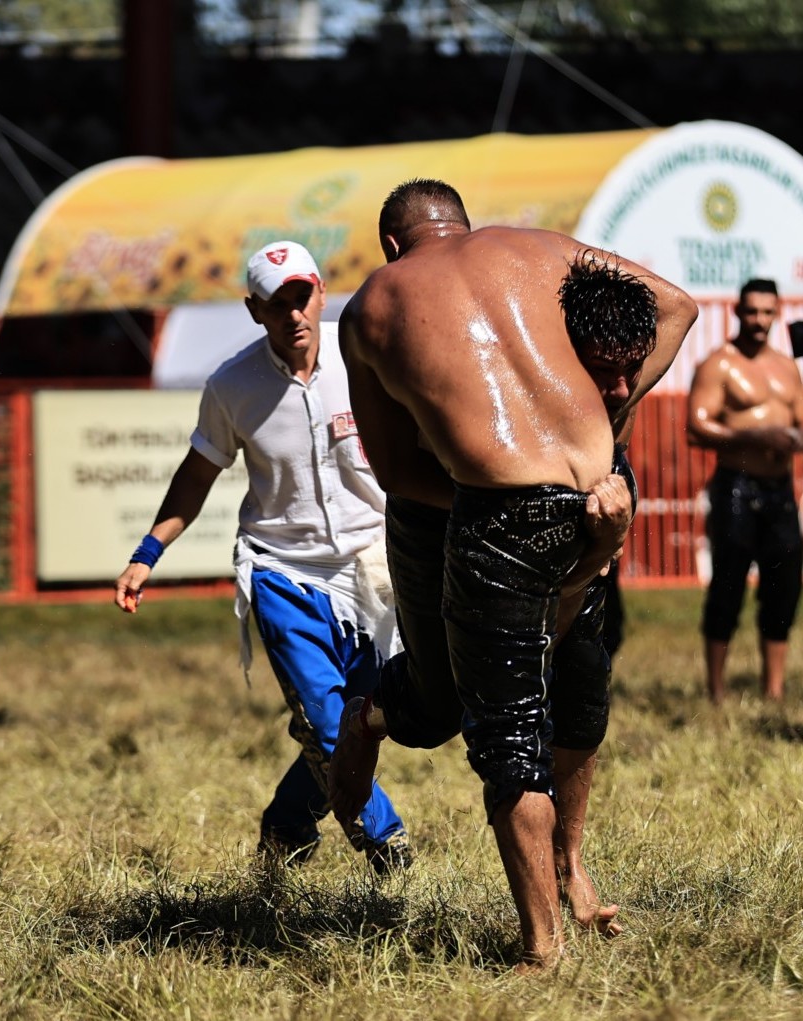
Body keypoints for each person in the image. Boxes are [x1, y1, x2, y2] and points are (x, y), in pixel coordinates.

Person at [326, 179, 696, 968]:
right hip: (560, 498)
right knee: (500, 719)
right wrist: (597, 439)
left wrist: (524, 470)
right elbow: (677, 307)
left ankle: (567, 873)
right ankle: (541, 948)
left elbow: (392, 466)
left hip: (532, 502)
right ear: (462, 224)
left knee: (569, 696)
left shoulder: (368, 304)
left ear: (393, 244)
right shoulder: (544, 247)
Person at [112, 240, 411, 873]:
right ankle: (389, 847)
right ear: (255, 311)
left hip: (373, 568)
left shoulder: (368, 358)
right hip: (282, 570)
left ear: (322, 293)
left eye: (302, 297)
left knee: (360, 726)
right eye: (277, 304)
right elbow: (196, 476)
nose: (293, 314)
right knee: (329, 720)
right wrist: (148, 551)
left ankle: (285, 827)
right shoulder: (231, 386)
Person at [686, 278, 803, 704]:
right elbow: (697, 425)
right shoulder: (719, 363)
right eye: (752, 312)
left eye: (767, 312)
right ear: (738, 313)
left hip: (780, 489)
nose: (759, 320)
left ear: (777, 313)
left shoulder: (785, 365)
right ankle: (716, 691)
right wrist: (756, 436)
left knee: (784, 586)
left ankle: (773, 688)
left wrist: (800, 438)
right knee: (728, 585)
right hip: (736, 487)